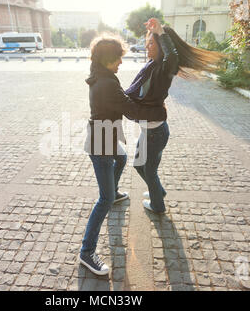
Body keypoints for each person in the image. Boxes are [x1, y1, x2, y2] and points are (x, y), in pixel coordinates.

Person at [80, 35, 167, 276]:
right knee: (104, 201)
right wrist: (157, 111)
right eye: (118, 58)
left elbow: (125, 101)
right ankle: (86, 252)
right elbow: (130, 109)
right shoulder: (107, 83)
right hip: (101, 145)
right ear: (108, 59)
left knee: (123, 158)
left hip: (104, 136)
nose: (121, 62)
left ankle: (115, 191)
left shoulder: (100, 73)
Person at [125, 18, 223, 214]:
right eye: (148, 42)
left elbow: (173, 58)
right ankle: (157, 192)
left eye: (151, 42)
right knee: (139, 166)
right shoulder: (152, 66)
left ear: (161, 45)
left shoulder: (164, 68)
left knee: (149, 170)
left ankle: (158, 206)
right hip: (150, 129)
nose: (147, 46)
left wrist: (161, 32)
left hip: (155, 132)